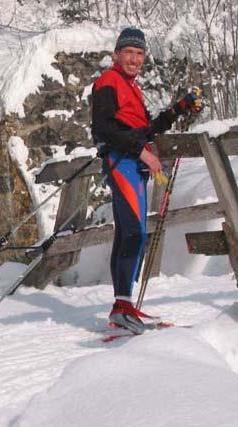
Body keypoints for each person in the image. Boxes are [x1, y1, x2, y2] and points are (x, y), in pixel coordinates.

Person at [91, 27, 203, 333]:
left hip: (131, 163)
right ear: (116, 55)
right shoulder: (108, 83)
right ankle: (122, 308)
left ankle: (122, 306)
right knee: (136, 233)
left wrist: (180, 108)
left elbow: (145, 130)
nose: (134, 59)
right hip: (121, 162)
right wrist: (143, 153)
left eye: (140, 54)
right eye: (129, 52)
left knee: (128, 233)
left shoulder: (131, 89)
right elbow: (104, 129)